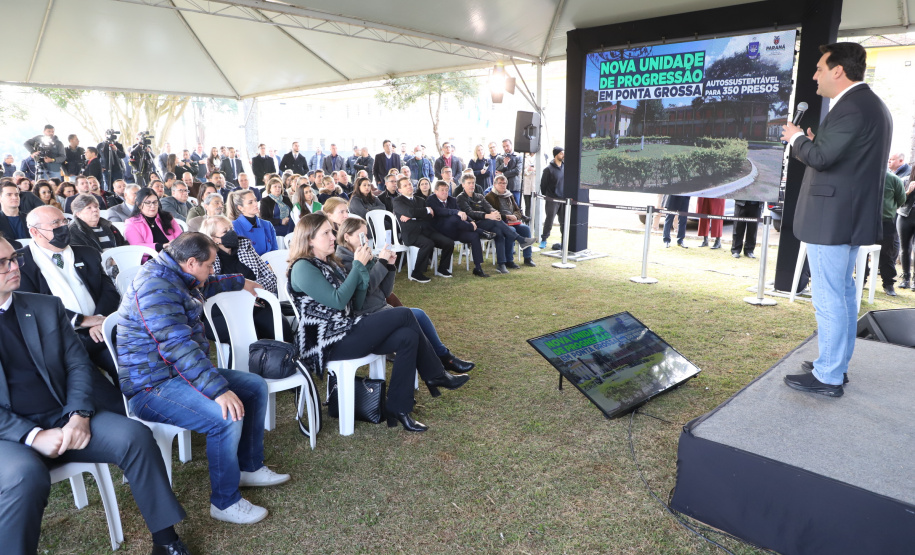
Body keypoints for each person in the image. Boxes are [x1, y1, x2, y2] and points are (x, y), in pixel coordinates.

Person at [0, 234, 192, 555]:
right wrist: (33, 436)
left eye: (14, 257)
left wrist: (79, 415)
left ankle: (166, 541)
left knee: (134, 436)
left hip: (64, 417)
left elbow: (77, 365)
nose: (14, 266)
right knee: (25, 475)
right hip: (10, 437)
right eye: (2, 263)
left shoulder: (44, 306)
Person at [117, 232, 290, 524]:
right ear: (191, 261)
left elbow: (205, 283)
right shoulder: (154, 287)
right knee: (224, 415)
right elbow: (177, 346)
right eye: (210, 265)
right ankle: (225, 502)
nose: (212, 270)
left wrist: (241, 281)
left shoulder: (178, 273)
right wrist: (217, 390)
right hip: (151, 385)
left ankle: (248, 467)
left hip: (177, 373)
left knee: (254, 386)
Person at [779, 42, 893, 398]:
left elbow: (824, 158)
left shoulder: (853, 107)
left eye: (818, 68)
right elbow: (836, 157)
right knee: (843, 296)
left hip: (832, 219)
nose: (814, 75)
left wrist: (795, 138)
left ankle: (828, 376)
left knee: (829, 299)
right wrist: (812, 143)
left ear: (838, 71)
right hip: (846, 216)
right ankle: (834, 366)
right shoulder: (868, 105)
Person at [287, 213, 469, 432]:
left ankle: (399, 409)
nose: (333, 236)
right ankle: (435, 375)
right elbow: (337, 302)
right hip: (327, 341)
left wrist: (374, 268)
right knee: (404, 314)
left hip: (348, 329)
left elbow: (357, 301)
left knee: (407, 337)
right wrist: (357, 267)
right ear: (309, 239)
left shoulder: (331, 263)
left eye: (331, 231)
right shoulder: (303, 267)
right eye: (326, 233)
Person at [336, 216, 475, 371]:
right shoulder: (345, 261)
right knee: (417, 317)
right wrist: (381, 262)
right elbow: (367, 289)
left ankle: (442, 362)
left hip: (380, 309)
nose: (366, 239)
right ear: (346, 237)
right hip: (366, 318)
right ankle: (443, 361)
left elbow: (385, 292)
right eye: (361, 236)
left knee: (415, 320)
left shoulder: (363, 254)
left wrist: (389, 267)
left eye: (367, 235)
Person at [18, 206, 125, 399]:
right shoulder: (22, 263)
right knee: (97, 391)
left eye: (63, 221)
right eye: (55, 224)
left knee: (128, 367)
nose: (63, 227)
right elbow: (29, 305)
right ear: (34, 231)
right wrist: (81, 320)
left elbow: (108, 290)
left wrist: (98, 320)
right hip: (60, 337)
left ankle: (144, 409)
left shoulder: (87, 253)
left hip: (100, 330)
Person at [199, 216, 291, 342]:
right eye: (225, 232)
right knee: (250, 334)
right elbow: (208, 287)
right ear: (214, 239)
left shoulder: (245, 247)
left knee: (281, 327)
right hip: (225, 310)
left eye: (231, 228)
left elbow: (270, 277)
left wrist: (256, 291)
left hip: (257, 304)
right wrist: (244, 296)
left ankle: (285, 360)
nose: (232, 233)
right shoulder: (207, 258)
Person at [457, 174, 536, 274]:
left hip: (488, 223)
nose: (472, 185)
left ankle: (501, 264)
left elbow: (489, 207)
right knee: (495, 222)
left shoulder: (479, 196)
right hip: (474, 226)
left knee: (499, 232)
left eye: (473, 183)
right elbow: (469, 213)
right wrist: (488, 216)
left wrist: (495, 213)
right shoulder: (460, 198)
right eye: (469, 183)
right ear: (463, 185)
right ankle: (520, 239)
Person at [392, 176, 454, 283]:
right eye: (405, 185)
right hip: (411, 234)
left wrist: (413, 216)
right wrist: (425, 210)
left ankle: (442, 268)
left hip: (426, 230)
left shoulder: (420, 200)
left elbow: (429, 217)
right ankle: (416, 273)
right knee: (428, 243)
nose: (409, 186)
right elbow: (412, 212)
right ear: (400, 190)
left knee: (449, 242)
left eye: (410, 184)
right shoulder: (397, 201)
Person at [427, 180, 491, 277]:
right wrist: (456, 212)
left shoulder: (452, 200)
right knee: (454, 216)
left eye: (446, 190)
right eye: (442, 190)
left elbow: (462, 213)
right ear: (435, 191)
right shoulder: (431, 199)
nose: (445, 192)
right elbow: (440, 211)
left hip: (455, 231)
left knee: (474, 235)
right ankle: (482, 231)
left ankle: (478, 268)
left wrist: (471, 221)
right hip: (440, 231)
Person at [486, 175, 536, 267]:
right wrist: (507, 216)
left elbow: (518, 210)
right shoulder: (489, 197)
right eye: (500, 183)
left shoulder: (509, 195)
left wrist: (515, 216)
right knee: (511, 231)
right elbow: (492, 213)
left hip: (513, 221)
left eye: (504, 183)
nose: (502, 185)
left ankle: (528, 258)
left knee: (525, 229)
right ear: (495, 184)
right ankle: (509, 260)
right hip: (501, 223)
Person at [871, 171, 907, 296]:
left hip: (886, 222)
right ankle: (860, 280)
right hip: (865, 221)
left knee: (887, 254)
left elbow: (901, 199)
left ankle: (888, 284)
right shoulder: (864, 174)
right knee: (859, 252)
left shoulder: (893, 179)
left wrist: (889, 209)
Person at [124, 187, 183, 252]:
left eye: (155, 202)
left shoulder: (167, 217)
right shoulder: (132, 223)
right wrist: (161, 246)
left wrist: (175, 243)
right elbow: (137, 246)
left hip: (174, 253)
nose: (152, 206)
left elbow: (180, 237)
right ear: (139, 205)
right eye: (148, 203)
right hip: (149, 259)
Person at [228, 189, 278, 255]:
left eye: (255, 200)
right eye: (250, 202)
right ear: (240, 208)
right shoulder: (233, 227)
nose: (255, 204)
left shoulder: (267, 225)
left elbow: (275, 252)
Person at [539, 146, 565, 249]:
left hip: (563, 199)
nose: (563, 155)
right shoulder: (548, 169)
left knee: (564, 221)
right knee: (549, 220)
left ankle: (564, 240)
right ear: (556, 155)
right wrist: (548, 197)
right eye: (561, 153)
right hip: (552, 199)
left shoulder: (565, 167)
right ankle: (544, 240)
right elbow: (543, 185)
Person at [897, 173, 915, 290]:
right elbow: (898, 201)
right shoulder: (905, 180)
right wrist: (908, 191)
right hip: (905, 216)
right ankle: (905, 278)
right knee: (904, 248)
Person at [0, 181, 29, 246]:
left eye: (16, 194)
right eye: (9, 195)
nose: (15, 197)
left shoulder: (30, 218)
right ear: (0, 198)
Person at [495, 139, 522, 206]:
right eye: (504, 146)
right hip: (503, 187)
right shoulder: (499, 157)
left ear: (511, 145)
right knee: (504, 207)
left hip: (515, 186)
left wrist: (503, 174)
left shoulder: (518, 156)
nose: (506, 148)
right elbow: (497, 170)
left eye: (507, 145)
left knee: (516, 207)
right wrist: (504, 164)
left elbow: (517, 171)